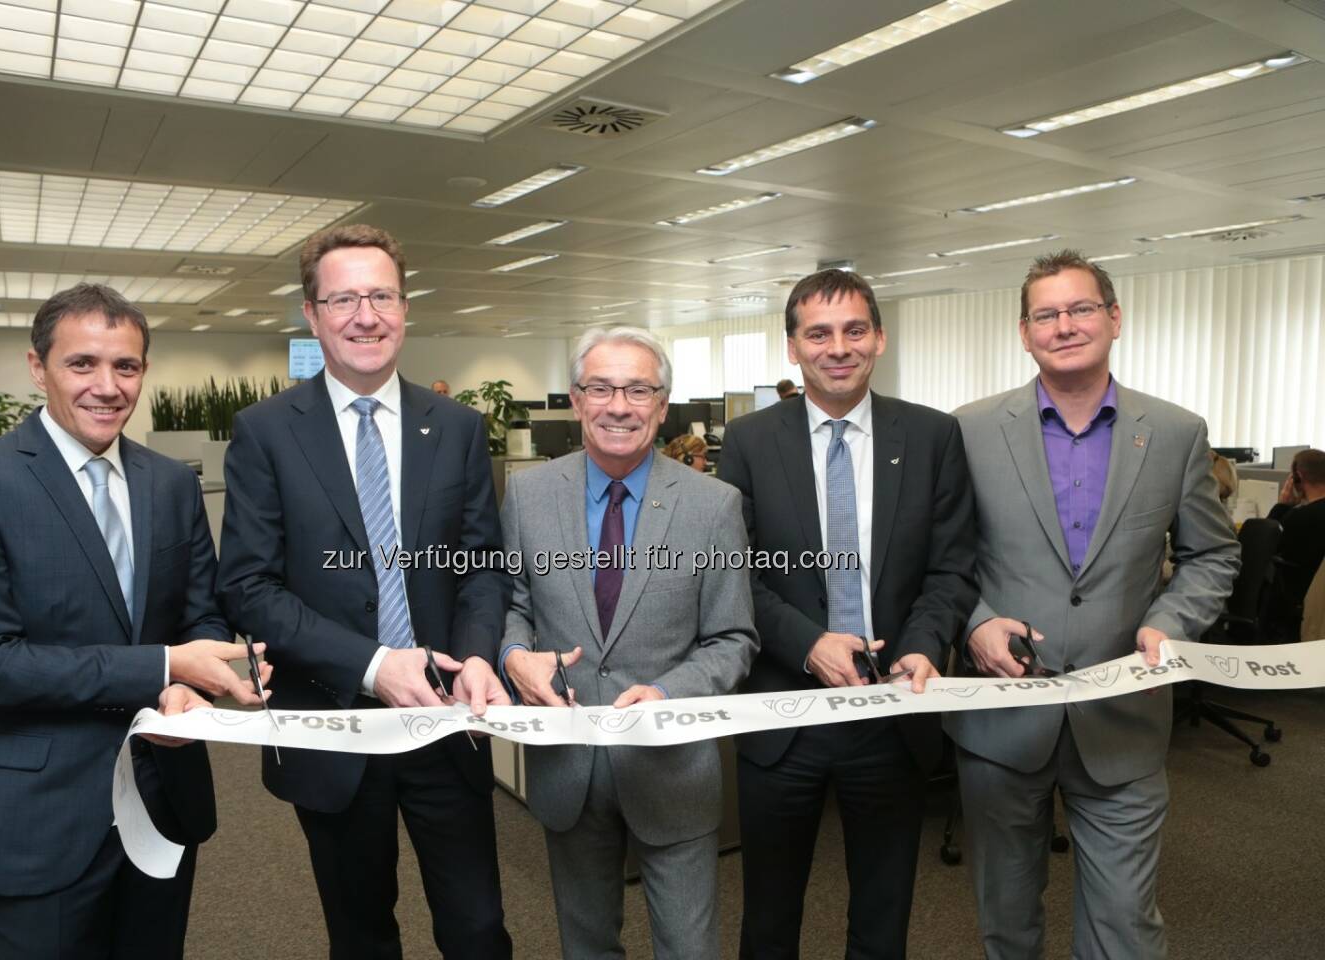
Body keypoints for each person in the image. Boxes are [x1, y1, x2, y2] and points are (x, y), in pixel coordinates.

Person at [0, 283, 269, 960]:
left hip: (163, 798)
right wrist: (163, 666)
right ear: (37, 366)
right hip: (42, 813)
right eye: (82, 364)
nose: (107, 386)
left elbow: (198, 613)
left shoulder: (169, 482)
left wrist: (189, 686)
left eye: (127, 367)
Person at [216, 224, 513, 960]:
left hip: (447, 721)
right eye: (343, 298)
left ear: (405, 309)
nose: (365, 315)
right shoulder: (264, 433)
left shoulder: (458, 428)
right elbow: (249, 586)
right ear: (312, 316)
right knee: (362, 934)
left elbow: (480, 568)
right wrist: (375, 663)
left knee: (478, 930)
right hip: (335, 725)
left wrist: (478, 656)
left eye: (381, 295)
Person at [947, 250, 1240, 960]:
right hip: (1001, 717)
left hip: (1124, 716)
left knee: (1124, 927)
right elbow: (942, 561)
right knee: (1007, 922)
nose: (1065, 325)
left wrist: (1169, 624)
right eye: (1046, 314)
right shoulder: (968, 430)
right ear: (1024, 332)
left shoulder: (1174, 432)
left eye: (1081, 309)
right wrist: (977, 622)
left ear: (1114, 318)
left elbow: (1213, 554)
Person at [716, 269, 977, 959]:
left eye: (855, 330)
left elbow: (950, 566)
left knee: (882, 919)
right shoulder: (746, 442)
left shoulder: (931, 436)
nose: (839, 347)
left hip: (891, 712)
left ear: (880, 338)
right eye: (819, 333)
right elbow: (733, 572)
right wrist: (808, 645)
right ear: (793, 347)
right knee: (769, 920)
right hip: (782, 714)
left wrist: (923, 645)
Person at [498, 326, 758, 960]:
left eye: (638, 389)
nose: (620, 405)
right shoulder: (529, 495)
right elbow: (514, 608)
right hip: (568, 764)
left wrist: (670, 690)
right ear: (576, 398)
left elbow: (734, 637)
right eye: (602, 388)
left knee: (689, 949)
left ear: (662, 405)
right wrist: (513, 656)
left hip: (671, 766)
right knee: (585, 945)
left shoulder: (714, 505)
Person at [1265, 448, 1325, 639]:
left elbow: (1263, 549)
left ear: (1297, 477)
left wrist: (1282, 505)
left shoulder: (1298, 518)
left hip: (1296, 609)